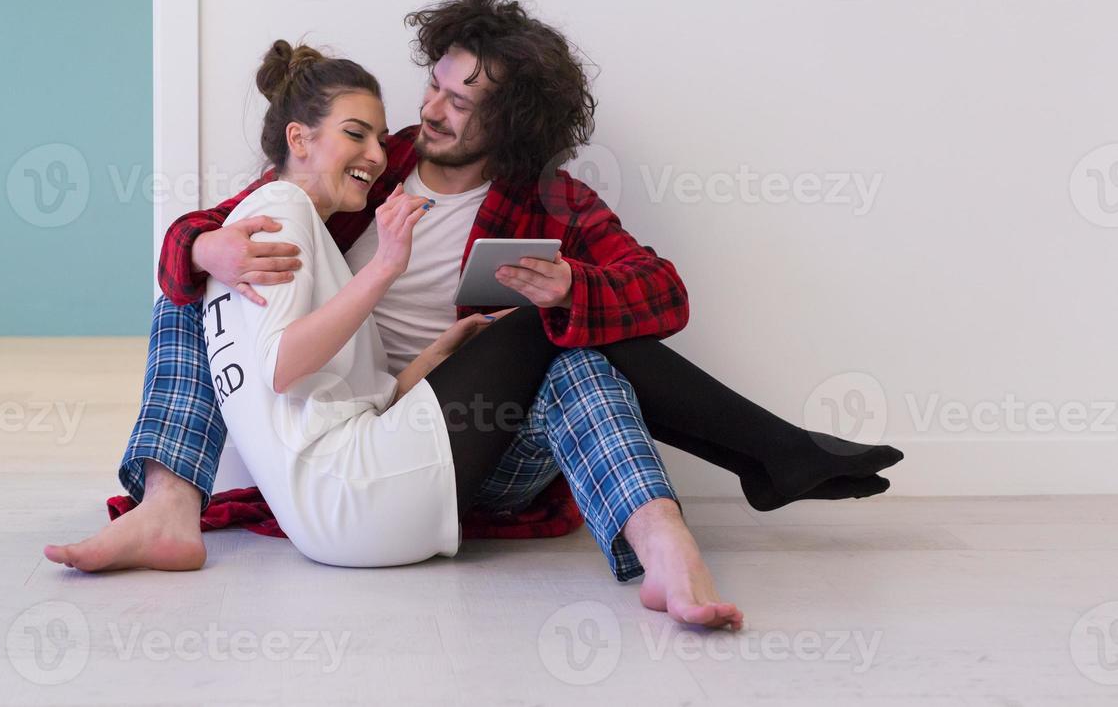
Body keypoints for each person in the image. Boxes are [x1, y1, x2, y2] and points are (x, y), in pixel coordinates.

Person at [50, 39, 744, 629]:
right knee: (185, 290)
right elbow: (196, 240)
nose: (430, 112)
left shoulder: (553, 201)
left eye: (461, 102)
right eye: (434, 87)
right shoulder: (365, 169)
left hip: (480, 439)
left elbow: (664, 292)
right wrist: (206, 253)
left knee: (571, 354)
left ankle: (664, 541)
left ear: (511, 121)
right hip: (374, 440)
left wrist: (569, 290)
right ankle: (168, 506)